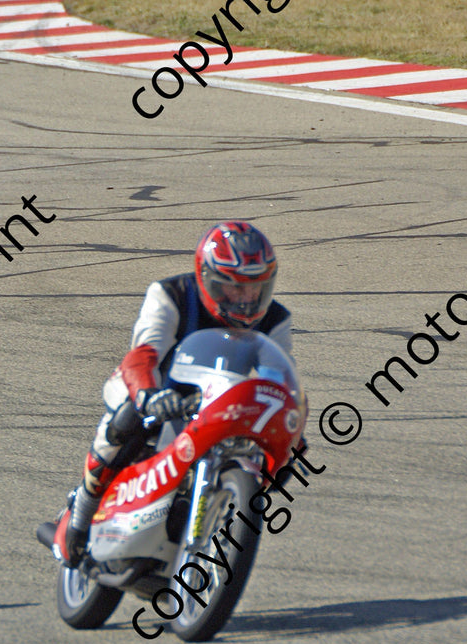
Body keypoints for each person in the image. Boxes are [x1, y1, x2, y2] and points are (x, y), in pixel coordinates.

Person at [40, 221, 291, 563]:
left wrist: (285, 421)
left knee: (284, 459)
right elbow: (144, 354)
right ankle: (80, 516)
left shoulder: (275, 319)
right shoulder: (171, 294)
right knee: (125, 416)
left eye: (255, 289)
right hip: (156, 388)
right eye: (233, 289)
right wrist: (149, 395)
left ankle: (220, 530)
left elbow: (276, 379)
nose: (246, 301)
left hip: (216, 402)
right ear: (207, 278)